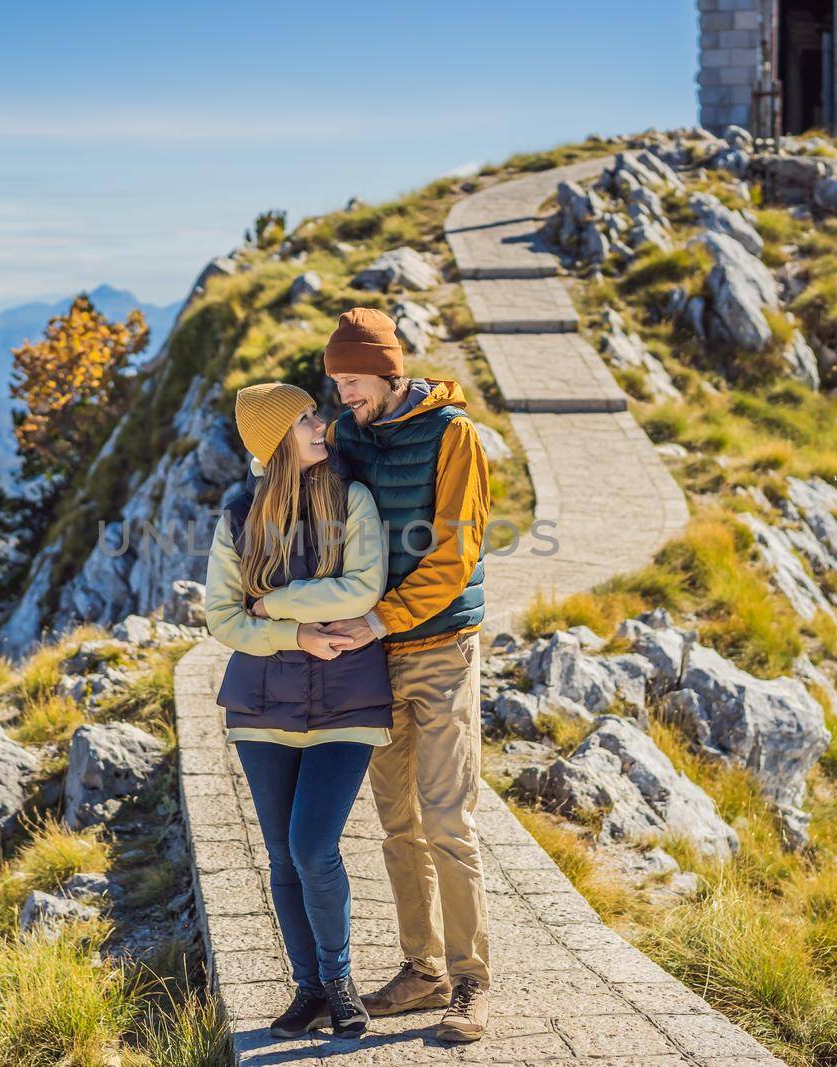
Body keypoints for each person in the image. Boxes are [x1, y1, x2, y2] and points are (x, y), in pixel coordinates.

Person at [315, 307, 493, 1043]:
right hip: (372, 659)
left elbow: (454, 556)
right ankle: (423, 971)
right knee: (397, 823)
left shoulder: (456, 435)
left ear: (388, 371)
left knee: (449, 818)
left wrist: (380, 617)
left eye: (352, 382)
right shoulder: (349, 433)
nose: (343, 397)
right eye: (335, 384)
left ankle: (472, 980)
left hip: (441, 647)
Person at [204, 381, 392, 1040]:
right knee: (283, 855)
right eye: (307, 417)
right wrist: (296, 632)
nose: (322, 423)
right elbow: (222, 616)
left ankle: (340, 980)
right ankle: (308, 989)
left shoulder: (353, 498)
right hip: (261, 702)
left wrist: (275, 602)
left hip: (347, 697)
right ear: (276, 439)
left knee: (315, 846)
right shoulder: (237, 514)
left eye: (317, 412)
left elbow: (362, 586)